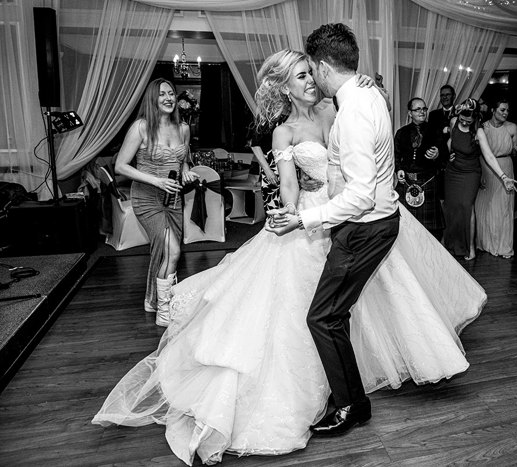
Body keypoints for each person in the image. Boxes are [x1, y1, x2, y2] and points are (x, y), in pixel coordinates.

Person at [93, 43, 487, 466]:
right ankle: (334, 391)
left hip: (353, 217)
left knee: (350, 307)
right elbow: (290, 186)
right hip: (314, 220)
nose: (310, 81)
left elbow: (367, 130)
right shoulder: (283, 132)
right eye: (300, 76)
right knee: (307, 312)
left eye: (310, 72)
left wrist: (372, 87)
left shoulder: (339, 109)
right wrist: (289, 215)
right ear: (285, 87)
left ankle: (351, 393)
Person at [114, 78, 198, 327]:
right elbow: (121, 166)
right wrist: (156, 181)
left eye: (171, 93)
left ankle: (152, 300)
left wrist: (185, 172)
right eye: (162, 94)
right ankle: (164, 311)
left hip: (173, 198)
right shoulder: (141, 127)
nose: (168, 98)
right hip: (146, 198)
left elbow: (183, 160)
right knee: (173, 250)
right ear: (153, 98)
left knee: (162, 251)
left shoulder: (183, 128)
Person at [443, 99, 517, 261]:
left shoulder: (479, 131)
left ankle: (470, 247)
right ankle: (451, 243)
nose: (464, 122)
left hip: (470, 173)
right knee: (452, 207)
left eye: (468, 121)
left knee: (466, 206)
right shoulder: (453, 121)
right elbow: (451, 141)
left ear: (475, 118)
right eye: (462, 118)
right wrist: (449, 154)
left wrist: (504, 177)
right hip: (453, 172)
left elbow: (489, 156)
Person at [394, 97, 444, 239]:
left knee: (431, 231)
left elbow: (445, 156)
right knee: (406, 224)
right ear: (410, 113)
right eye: (418, 109)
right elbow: (396, 156)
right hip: (407, 182)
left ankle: (430, 257)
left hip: (428, 181)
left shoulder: (435, 131)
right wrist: (399, 170)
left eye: (424, 108)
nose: (422, 112)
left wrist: (437, 154)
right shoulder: (401, 133)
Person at [474, 98, 517, 258]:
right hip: (486, 167)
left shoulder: (512, 127)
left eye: (507, 110)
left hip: (506, 165)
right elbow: (479, 152)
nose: (506, 113)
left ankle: (503, 246)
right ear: (493, 110)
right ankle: (485, 243)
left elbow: (515, 150)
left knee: (504, 208)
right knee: (486, 207)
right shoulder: (483, 128)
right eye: (502, 110)